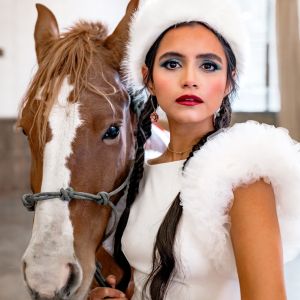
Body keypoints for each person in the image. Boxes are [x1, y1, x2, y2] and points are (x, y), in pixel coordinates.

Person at [90, 0, 300, 299]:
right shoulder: (142, 173)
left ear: (230, 81)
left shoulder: (243, 175)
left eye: (209, 66)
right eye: (172, 64)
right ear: (148, 78)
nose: (190, 79)